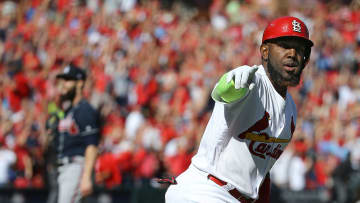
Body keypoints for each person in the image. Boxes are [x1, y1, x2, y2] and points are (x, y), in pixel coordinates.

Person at [165, 16, 314, 203]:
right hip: (205, 191)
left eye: (299, 49)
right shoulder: (252, 81)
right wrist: (231, 85)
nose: (292, 53)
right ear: (265, 51)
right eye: (284, 45)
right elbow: (224, 91)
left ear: (306, 59)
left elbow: (262, 172)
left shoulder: (291, 109)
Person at [54, 64, 101, 203]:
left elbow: (92, 145)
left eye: (68, 80)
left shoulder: (85, 110)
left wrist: (86, 176)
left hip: (77, 167)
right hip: (65, 168)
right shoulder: (69, 110)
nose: (64, 84)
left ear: (80, 83)